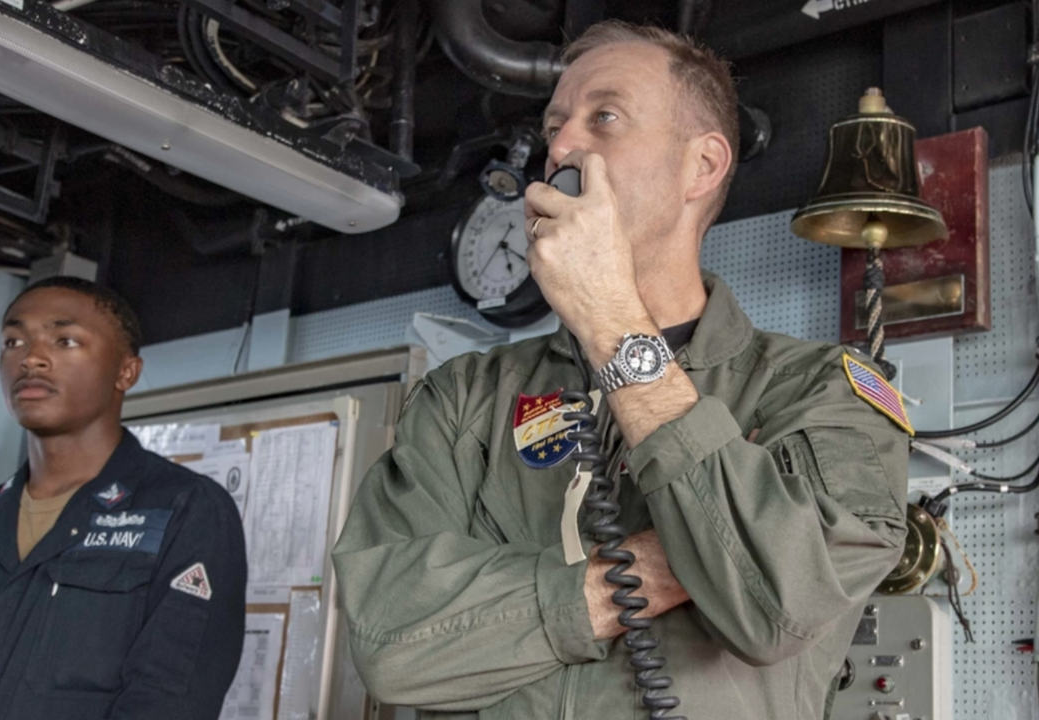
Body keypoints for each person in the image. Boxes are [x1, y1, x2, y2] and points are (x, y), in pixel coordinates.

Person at [332, 20, 910, 720]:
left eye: (605, 117)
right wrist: (668, 565)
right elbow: (390, 643)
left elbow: (776, 603)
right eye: (556, 125)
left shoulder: (824, 391)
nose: (563, 146)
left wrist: (610, 322)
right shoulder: (464, 396)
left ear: (703, 165)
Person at [0, 276, 247, 720]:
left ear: (126, 372)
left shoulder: (183, 510)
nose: (30, 358)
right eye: (13, 341)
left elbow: (167, 700)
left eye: (64, 340)